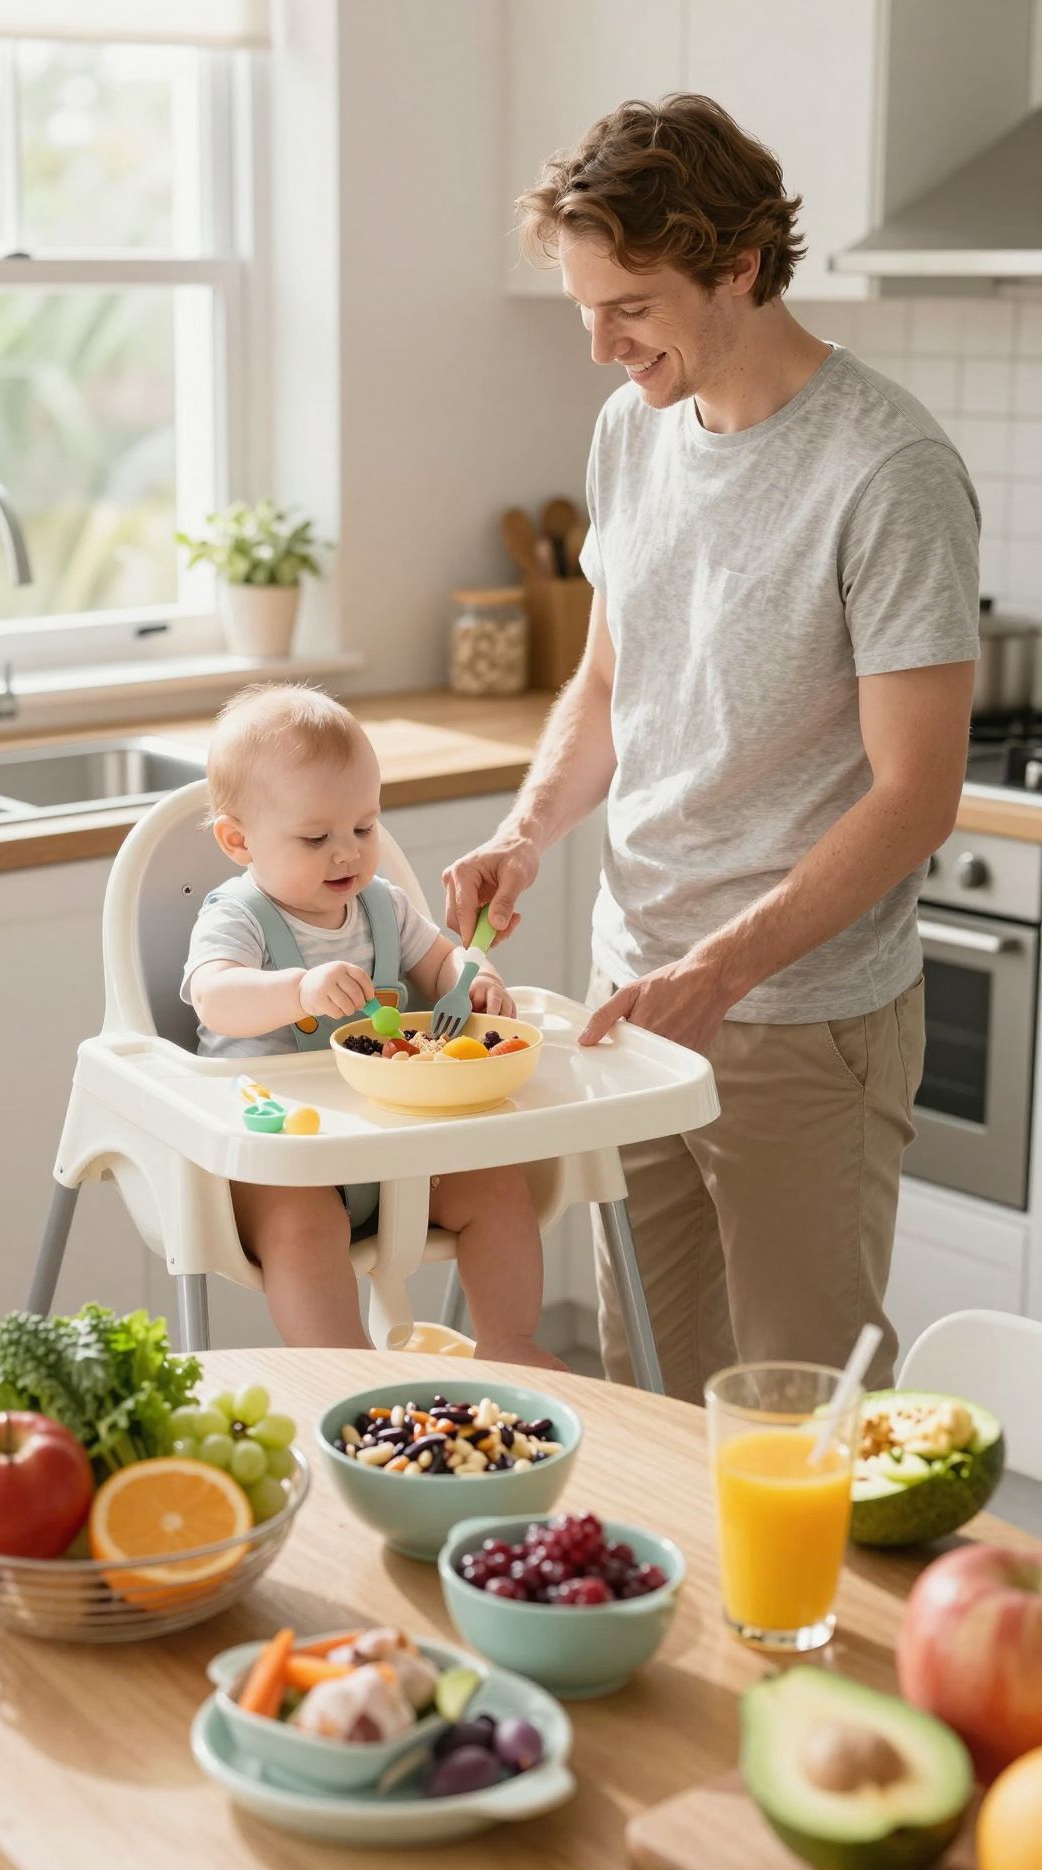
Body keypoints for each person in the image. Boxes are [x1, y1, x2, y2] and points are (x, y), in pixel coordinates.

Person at [444, 95, 978, 1400]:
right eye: (582, 305)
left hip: (797, 1019)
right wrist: (524, 836)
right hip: (637, 999)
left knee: (803, 1411)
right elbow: (611, 680)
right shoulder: (634, 428)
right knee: (650, 1394)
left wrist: (721, 971)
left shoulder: (886, 468)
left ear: (739, 264)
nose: (597, 344)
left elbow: (917, 798)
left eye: (627, 304)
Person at [182, 683, 566, 1372]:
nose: (347, 855)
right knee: (304, 1229)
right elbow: (214, 998)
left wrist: (473, 981)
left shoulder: (382, 907)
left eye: (364, 828)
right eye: (316, 837)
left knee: (496, 1182)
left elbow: (440, 962)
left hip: (392, 1143)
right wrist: (296, 988)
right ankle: (351, 1373)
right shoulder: (238, 916)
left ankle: (509, 1341)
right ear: (238, 841)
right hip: (284, 1159)